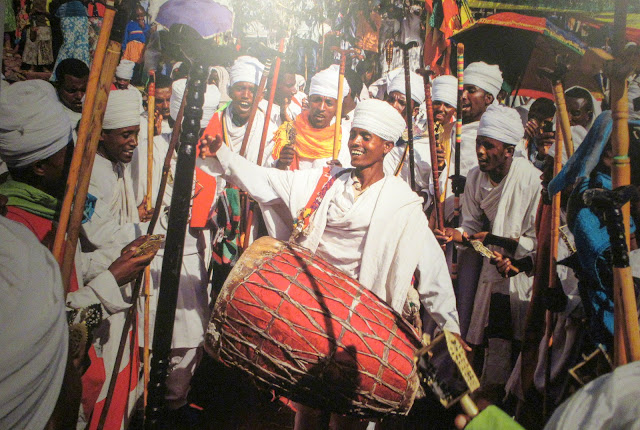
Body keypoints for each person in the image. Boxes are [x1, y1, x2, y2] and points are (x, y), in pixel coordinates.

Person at [199, 97, 463, 428]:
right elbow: (265, 179)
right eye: (354, 134)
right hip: (312, 313)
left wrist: (450, 326)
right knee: (308, 409)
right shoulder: (324, 181)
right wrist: (223, 153)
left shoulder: (402, 204)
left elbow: (432, 266)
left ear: (386, 146)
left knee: (347, 417)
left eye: (366, 136)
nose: (356, 142)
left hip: (364, 323)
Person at [0, 79, 156, 429]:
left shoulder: (49, 211)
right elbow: (53, 329)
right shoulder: (17, 231)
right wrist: (112, 278)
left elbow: (74, 268)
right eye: (68, 152)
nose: (78, 159)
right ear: (39, 167)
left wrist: (118, 260)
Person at [436, 104, 541, 395]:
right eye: (478, 144)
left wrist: (505, 247)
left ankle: (503, 401)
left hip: (522, 272)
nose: (480, 152)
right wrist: (455, 234)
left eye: (488, 146)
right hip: (488, 265)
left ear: (509, 150)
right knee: (479, 334)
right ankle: (473, 396)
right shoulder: (474, 177)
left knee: (512, 340)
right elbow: (471, 229)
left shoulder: (531, 180)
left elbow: (536, 239)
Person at [268, 64, 352, 170]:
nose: (321, 108)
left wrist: (340, 172)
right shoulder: (289, 131)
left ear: (337, 107)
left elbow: (350, 173)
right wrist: (280, 163)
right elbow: (269, 172)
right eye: (316, 100)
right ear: (309, 100)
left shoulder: (343, 137)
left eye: (329, 103)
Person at [381, 69, 432, 198]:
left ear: (415, 111)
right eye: (390, 100)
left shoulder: (421, 143)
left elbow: (429, 189)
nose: (393, 105)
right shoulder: (373, 133)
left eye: (401, 103)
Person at [50, 0, 90, 80]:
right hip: (76, 13)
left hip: (70, 13)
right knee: (78, 46)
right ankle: (80, 74)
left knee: (70, 45)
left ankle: (64, 75)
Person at [54, 57, 90, 129]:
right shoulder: (52, 118)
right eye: (72, 91)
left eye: (84, 90)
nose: (79, 96)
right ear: (58, 87)